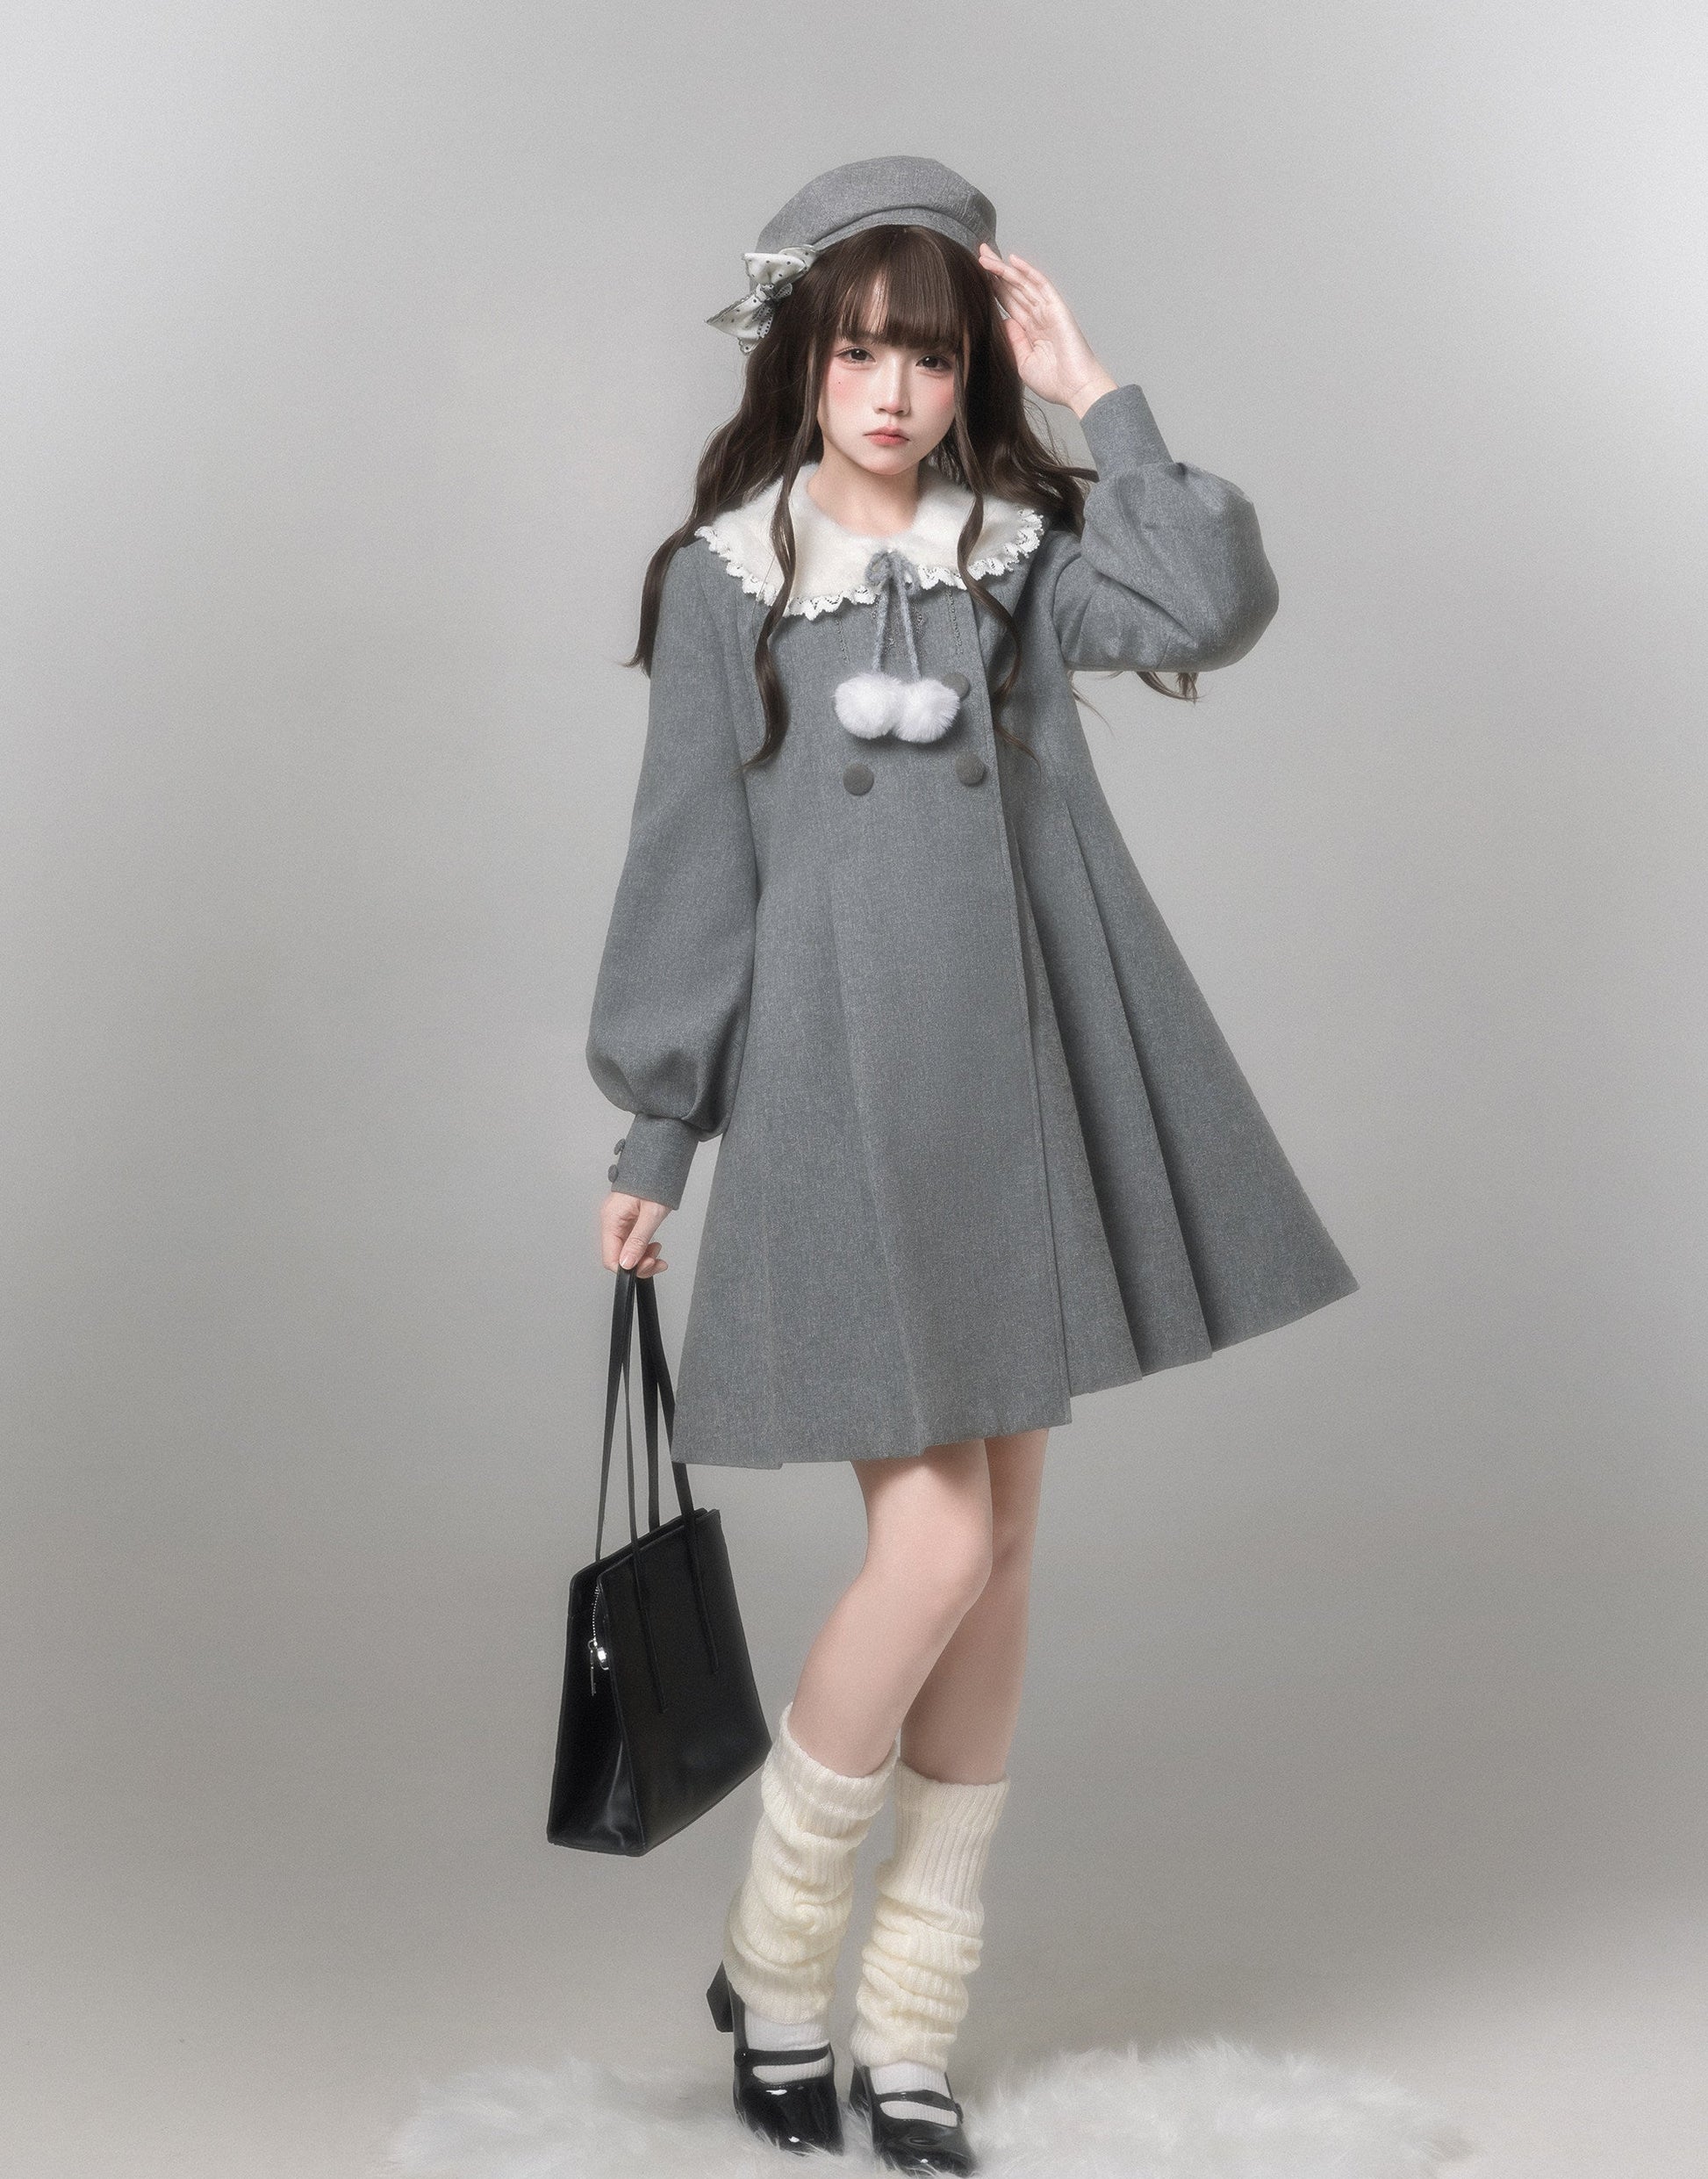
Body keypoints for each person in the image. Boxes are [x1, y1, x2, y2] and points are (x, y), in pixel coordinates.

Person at [585, 156, 1357, 2172]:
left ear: (966, 373)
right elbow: (690, 863)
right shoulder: (726, 579)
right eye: (859, 350)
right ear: (800, 357)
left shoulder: (1012, 552)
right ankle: (775, 1967)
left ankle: (909, 2022)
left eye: (929, 357)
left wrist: (1098, 391)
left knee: (1002, 1550)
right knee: (929, 1547)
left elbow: (1206, 599)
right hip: (841, 1095)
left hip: (1019, 1091)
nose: (893, 391)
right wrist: (660, 1119)